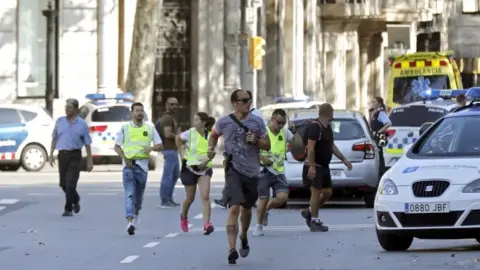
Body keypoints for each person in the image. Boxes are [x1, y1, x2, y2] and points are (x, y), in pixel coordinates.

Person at [208, 89, 270, 264]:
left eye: (249, 100)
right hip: (233, 169)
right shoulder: (224, 122)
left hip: (252, 171)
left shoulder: (257, 122)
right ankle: (231, 249)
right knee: (234, 208)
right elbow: (213, 136)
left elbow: (267, 145)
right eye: (244, 100)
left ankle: (243, 235)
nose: (248, 103)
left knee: (247, 209)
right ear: (234, 103)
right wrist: (210, 148)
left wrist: (256, 141)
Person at [301, 103, 352, 232]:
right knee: (316, 192)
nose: (333, 114)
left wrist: (344, 159)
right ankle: (314, 221)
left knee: (327, 192)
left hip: (324, 166)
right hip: (314, 165)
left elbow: (332, 146)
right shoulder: (315, 127)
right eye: (332, 112)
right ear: (328, 113)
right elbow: (311, 148)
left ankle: (309, 211)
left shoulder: (327, 127)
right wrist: (311, 166)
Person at [114, 102, 163, 235]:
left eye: (141, 110)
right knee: (129, 194)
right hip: (129, 166)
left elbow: (160, 145)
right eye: (137, 110)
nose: (139, 113)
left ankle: (136, 212)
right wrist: (125, 158)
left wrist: (151, 148)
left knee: (138, 197)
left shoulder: (150, 128)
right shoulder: (125, 128)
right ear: (132, 113)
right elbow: (117, 147)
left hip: (142, 167)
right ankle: (129, 222)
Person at [49, 98, 93, 217]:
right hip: (62, 155)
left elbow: (87, 143)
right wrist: (51, 154)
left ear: (76, 109)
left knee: (70, 183)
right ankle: (76, 198)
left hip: (75, 155)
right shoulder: (60, 121)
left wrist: (89, 160)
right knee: (63, 184)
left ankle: (68, 209)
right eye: (66, 107)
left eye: (69, 107)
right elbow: (54, 138)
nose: (66, 109)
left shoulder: (81, 124)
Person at [253, 108, 293, 236]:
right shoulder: (262, 132)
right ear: (272, 119)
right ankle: (258, 226)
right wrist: (261, 158)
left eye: (283, 123)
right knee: (263, 198)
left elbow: (297, 144)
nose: (280, 125)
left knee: (282, 197)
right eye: (279, 122)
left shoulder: (285, 133)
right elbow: (252, 149)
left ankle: (266, 210)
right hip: (264, 170)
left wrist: (295, 135)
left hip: (278, 171)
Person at [176, 112, 216, 235]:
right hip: (190, 169)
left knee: (205, 196)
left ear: (204, 122)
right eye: (194, 119)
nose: (194, 122)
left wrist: (206, 160)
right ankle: (183, 216)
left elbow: (212, 152)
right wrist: (182, 155)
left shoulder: (211, 135)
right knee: (190, 198)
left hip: (204, 169)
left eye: (197, 120)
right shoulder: (190, 133)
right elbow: (177, 138)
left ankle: (207, 224)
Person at [157, 97, 181, 208]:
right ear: (166, 105)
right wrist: (179, 136)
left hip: (172, 150)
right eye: (171, 104)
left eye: (176, 104)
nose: (174, 106)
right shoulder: (167, 118)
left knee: (175, 175)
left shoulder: (171, 117)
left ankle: (169, 198)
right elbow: (167, 134)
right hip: (169, 150)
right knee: (168, 175)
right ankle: (164, 200)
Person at [369, 96, 391, 174]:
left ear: (379, 104)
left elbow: (388, 123)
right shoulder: (373, 112)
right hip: (374, 136)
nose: (372, 103)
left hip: (380, 136)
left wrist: (379, 131)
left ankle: (381, 173)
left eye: (374, 102)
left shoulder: (381, 113)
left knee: (380, 155)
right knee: (376, 154)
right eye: (372, 102)